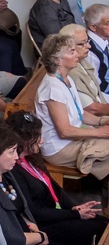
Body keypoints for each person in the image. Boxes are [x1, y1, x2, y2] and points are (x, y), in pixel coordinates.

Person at [7, 111, 109, 245]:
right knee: (97, 229)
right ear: (23, 140)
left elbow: (53, 186)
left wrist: (74, 207)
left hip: (59, 213)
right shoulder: (13, 169)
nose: (42, 141)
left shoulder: (33, 156)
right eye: (37, 137)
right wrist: (74, 215)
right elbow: (35, 212)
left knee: (104, 222)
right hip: (44, 225)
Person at [34, 34, 109, 207]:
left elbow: (79, 113)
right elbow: (65, 131)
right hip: (59, 147)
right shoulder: (53, 88)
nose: (77, 54)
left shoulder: (66, 78)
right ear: (58, 60)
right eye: (72, 51)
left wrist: (101, 122)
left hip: (74, 136)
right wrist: (99, 133)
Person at [59, 24, 109, 116]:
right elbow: (92, 109)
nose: (89, 46)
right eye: (82, 44)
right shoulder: (72, 72)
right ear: (68, 47)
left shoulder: (82, 61)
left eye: (87, 41)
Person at [84, 3, 109, 95]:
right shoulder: (89, 51)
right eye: (108, 23)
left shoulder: (104, 41)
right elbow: (96, 87)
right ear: (93, 27)